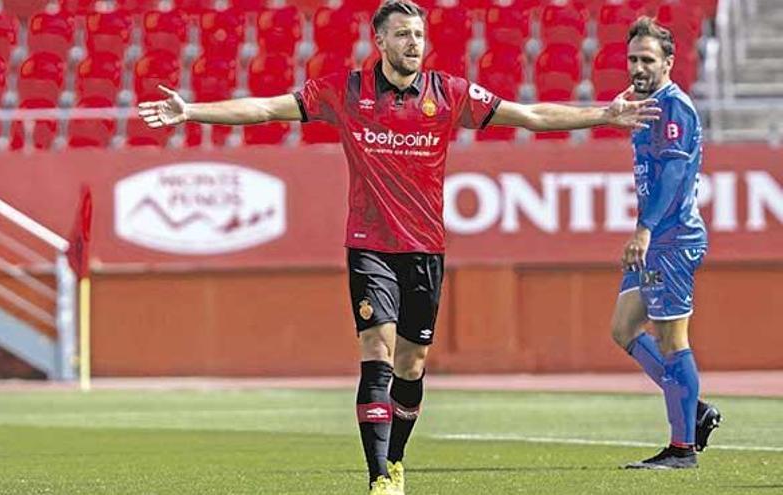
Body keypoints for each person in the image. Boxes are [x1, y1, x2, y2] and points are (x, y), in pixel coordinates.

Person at [138, 1, 659, 492]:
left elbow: (531, 116)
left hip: (425, 249)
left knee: (412, 364)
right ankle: (379, 476)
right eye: (403, 34)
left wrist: (601, 115)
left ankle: (397, 458)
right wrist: (192, 112)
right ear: (379, 40)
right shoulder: (346, 91)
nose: (414, 43)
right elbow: (267, 108)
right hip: (368, 245)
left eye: (419, 35)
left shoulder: (447, 92)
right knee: (377, 350)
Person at [610, 17, 721, 470]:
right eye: (633, 58)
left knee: (672, 341)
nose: (638, 66)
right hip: (657, 241)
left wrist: (644, 228)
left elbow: (673, 175)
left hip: (671, 239)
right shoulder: (647, 104)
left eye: (647, 59)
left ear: (669, 62)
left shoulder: (674, 106)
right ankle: (692, 406)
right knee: (623, 329)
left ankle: (682, 449)